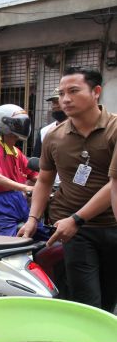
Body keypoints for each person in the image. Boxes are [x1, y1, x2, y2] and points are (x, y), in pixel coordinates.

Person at [19, 66, 117, 311]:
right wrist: (33, 218)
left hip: (111, 225)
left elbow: (113, 184)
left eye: (73, 91)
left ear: (96, 92)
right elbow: (44, 180)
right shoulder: (54, 136)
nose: (65, 99)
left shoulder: (114, 129)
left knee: (108, 300)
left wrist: (77, 218)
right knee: (86, 301)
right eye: (61, 93)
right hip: (76, 231)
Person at [0, 104, 48, 239]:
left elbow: (33, 174)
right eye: (19, 123)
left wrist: (49, 183)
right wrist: (26, 187)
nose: (23, 127)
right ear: (4, 125)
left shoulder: (17, 152)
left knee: (42, 234)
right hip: (0, 204)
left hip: (19, 200)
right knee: (7, 242)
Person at [32, 87, 68, 158]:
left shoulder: (79, 128)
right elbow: (37, 159)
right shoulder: (44, 131)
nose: (55, 106)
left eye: (58, 102)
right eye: (53, 102)